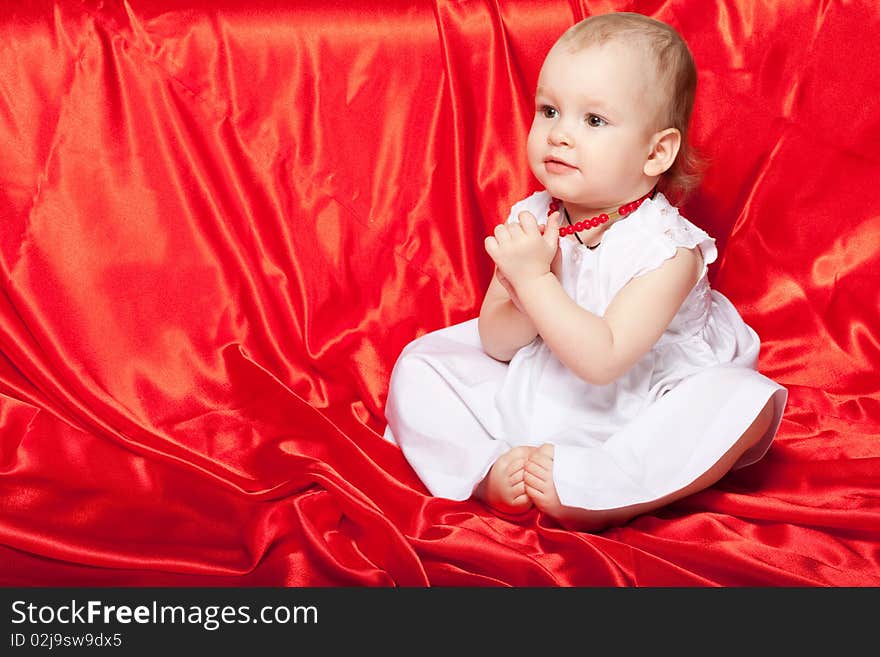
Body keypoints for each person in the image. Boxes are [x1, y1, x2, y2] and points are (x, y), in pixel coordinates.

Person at [382, 12, 787, 532]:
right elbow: (498, 344)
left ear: (656, 152)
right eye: (549, 111)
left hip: (642, 398)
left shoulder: (669, 251)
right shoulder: (534, 216)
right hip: (542, 379)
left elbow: (604, 361)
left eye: (593, 121)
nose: (560, 135)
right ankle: (485, 466)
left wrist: (534, 282)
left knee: (742, 404)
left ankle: (610, 484)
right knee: (421, 363)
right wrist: (522, 284)